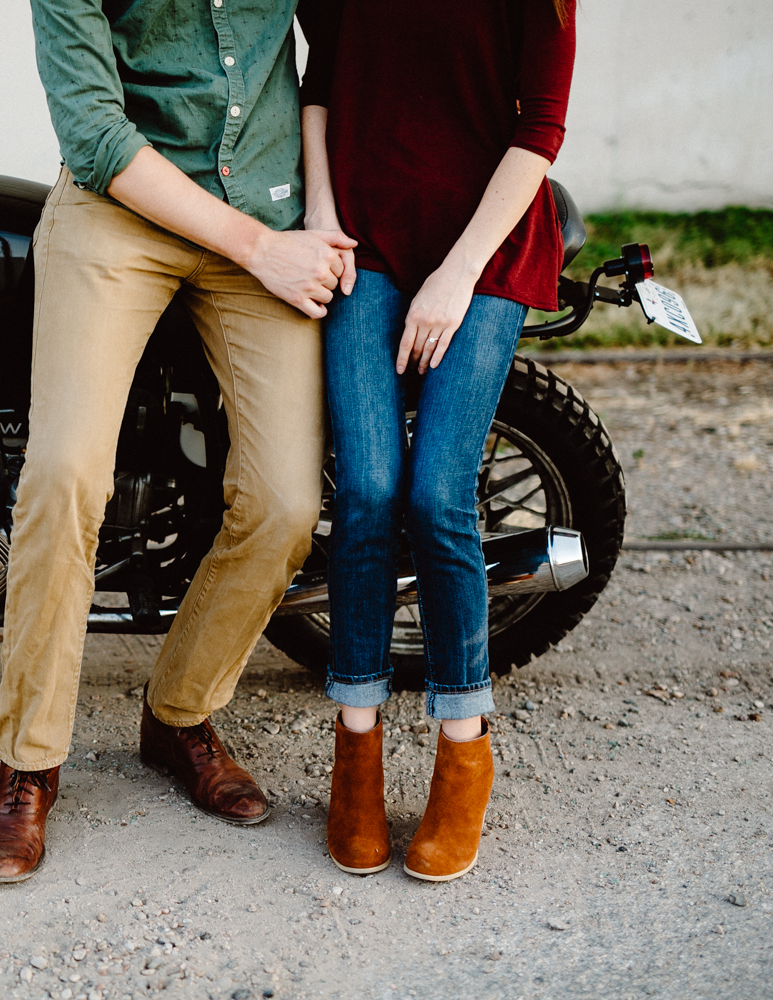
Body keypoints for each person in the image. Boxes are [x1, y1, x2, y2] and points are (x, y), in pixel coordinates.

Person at [0, 0, 354, 883]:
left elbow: (341, 51)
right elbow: (95, 131)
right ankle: (28, 764)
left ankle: (179, 713)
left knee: (288, 504)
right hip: (123, 209)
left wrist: (318, 217)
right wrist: (265, 249)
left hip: (267, 203)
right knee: (65, 475)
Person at [299, 0, 577, 881]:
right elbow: (321, 83)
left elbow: (541, 129)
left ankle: (464, 748)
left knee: (437, 495)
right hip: (367, 238)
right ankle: (358, 743)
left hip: (484, 254)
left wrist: (456, 277)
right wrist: (320, 215)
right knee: (369, 491)